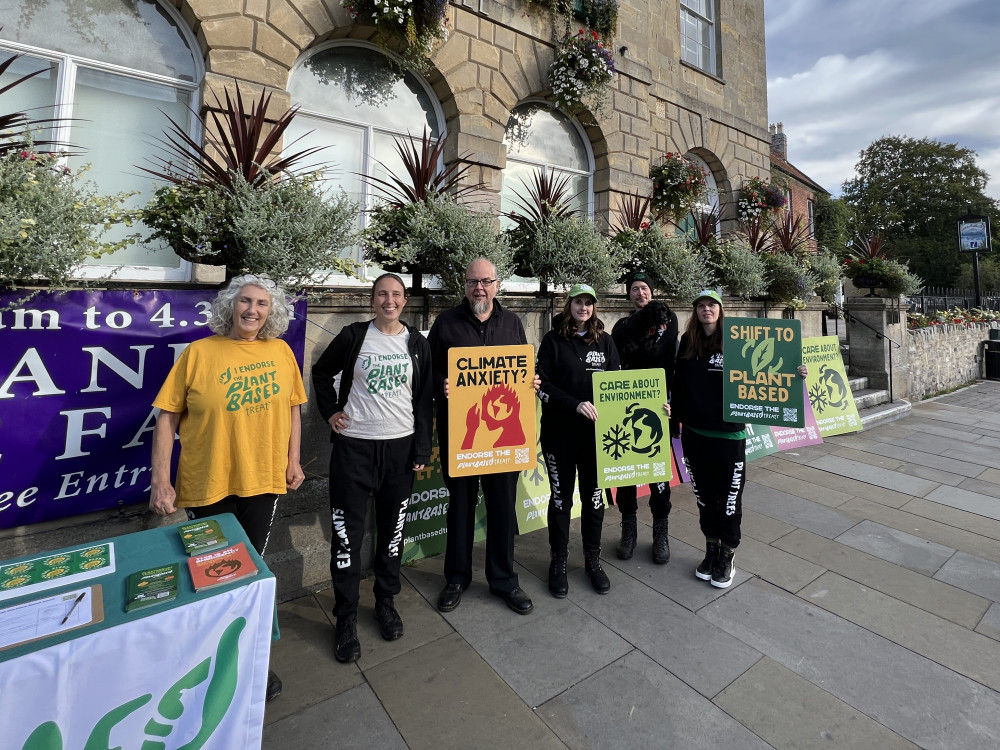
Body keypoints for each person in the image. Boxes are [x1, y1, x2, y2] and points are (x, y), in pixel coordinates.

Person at [149, 273, 307, 702]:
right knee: (215, 575)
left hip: (262, 482)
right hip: (207, 485)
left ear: (271, 312)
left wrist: (293, 460)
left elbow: (293, 412)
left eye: (261, 304)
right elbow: (166, 417)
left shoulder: (281, 353)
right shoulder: (200, 353)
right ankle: (214, 665)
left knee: (250, 573)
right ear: (230, 307)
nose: (252, 310)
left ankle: (250, 660)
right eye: (245, 302)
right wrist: (160, 480)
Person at [311, 273, 432, 663]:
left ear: (405, 299)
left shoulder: (416, 343)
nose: (389, 301)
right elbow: (321, 374)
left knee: (392, 536)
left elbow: (425, 398)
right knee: (347, 539)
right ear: (372, 298)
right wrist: (330, 411)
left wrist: (422, 448)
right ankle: (345, 618)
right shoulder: (353, 336)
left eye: (396, 295)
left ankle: (385, 602)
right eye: (382, 294)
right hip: (354, 451)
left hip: (399, 451)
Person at [670, 290, 806, 588]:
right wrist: (674, 421)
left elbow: (772, 367)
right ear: (695, 311)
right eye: (701, 306)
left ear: (720, 310)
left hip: (729, 435)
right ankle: (711, 550)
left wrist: (796, 373)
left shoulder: (737, 341)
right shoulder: (687, 342)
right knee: (705, 498)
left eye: (712, 305)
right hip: (695, 434)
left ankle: (728, 554)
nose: (706, 310)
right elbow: (679, 384)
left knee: (729, 500)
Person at [427, 257, 535, 616]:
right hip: (463, 438)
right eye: (473, 281)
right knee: (459, 508)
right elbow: (426, 375)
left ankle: (504, 580)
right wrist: (439, 384)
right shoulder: (445, 324)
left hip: (503, 444)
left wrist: (532, 382)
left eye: (486, 281)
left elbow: (523, 373)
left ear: (497, 285)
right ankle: (456, 578)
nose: (479, 288)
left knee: (503, 509)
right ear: (464, 285)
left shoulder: (513, 323)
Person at [537, 284, 621, 597]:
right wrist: (575, 404)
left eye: (588, 303)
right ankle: (558, 562)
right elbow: (541, 385)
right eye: (578, 302)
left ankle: (592, 560)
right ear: (569, 304)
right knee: (561, 501)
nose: (583, 308)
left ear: (594, 307)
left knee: (594, 499)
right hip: (560, 435)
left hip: (597, 439)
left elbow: (620, 386)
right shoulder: (552, 340)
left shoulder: (606, 341)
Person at [610, 270, 679, 564]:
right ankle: (629, 530)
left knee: (658, 474)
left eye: (645, 288)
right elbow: (617, 364)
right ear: (629, 294)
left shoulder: (667, 318)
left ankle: (660, 532)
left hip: (659, 405)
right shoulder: (622, 327)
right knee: (627, 472)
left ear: (653, 291)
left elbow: (659, 357)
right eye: (635, 289)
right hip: (627, 405)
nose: (641, 293)